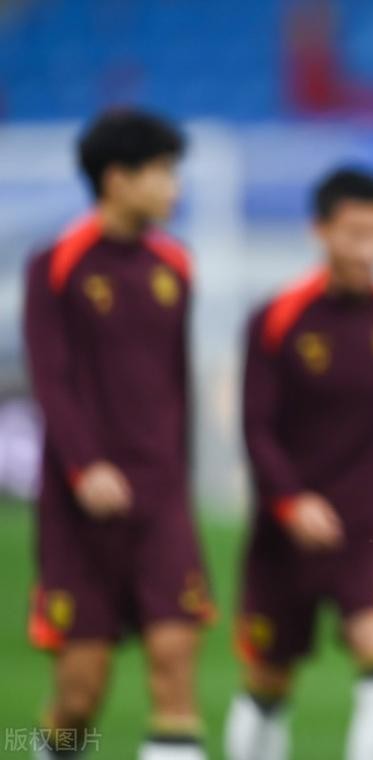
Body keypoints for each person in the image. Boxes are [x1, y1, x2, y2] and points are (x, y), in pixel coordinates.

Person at [224, 167, 373, 760]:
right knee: (268, 682)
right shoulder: (278, 319)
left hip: (369, 528)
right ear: (320, 232)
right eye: (355, 234)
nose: (369, 250)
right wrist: (290, 502)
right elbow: (255, 427)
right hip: (282, 538)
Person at [22, 109, 212, 760]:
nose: (174, 186)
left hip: (161, 500)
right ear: (117, 179)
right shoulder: (56, 264)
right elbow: (50, 379)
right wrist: (85, 467)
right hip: (79, 508)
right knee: (81, 693)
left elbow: (176, 382)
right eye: (162, 171)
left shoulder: (175, 264)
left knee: (175, 662)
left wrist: (180, 479)